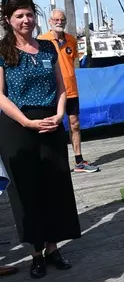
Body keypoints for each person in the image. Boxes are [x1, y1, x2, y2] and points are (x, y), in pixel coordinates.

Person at [0, 0, 81, 279]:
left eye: (29, 14)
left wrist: (59, 114)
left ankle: (53, 248)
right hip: (17, 125)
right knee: (27, 190)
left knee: (55, 185)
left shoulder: (47, 48)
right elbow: (0, 95)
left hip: (50, 120)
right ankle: (36, 253)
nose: (26, 20)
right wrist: (25, 121)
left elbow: (61, 86)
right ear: (8, 20)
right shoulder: (2, 50)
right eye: (19, 16)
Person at [38, 9, 100, 172]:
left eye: (62, 20)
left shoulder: (71, 40)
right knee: (50, 125)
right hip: (51, 91)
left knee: (75, 124)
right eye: (56, 19)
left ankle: (79, 161)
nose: (59, 22)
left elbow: (71, 62)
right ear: (50, 22)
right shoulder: (42, 40)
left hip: (71, 90)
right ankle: (49, 162)